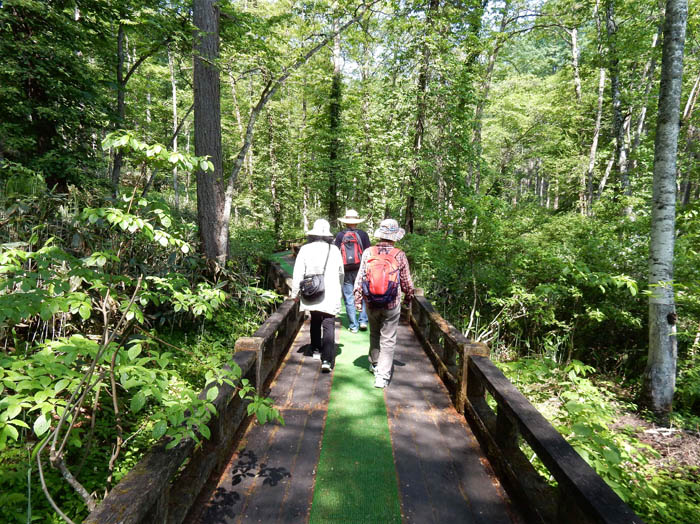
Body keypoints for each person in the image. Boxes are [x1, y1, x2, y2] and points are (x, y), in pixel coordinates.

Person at [353, 218, 414, 388]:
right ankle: (382, 376)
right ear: (395, 237)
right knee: (388, 339)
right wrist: (408, 299)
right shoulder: (399, 255)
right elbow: (407, 282)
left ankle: (374, 363)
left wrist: (358, 302)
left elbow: (360, 278)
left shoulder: (368, 252)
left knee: (374, 333)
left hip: (371, 302)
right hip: (392, 303)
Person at [292, 219, 344, 372]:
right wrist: (339, 289)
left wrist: (295, 293)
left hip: (312, 291)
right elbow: (341, 273)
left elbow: (298, 273)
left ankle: (315, 349)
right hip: (331, 291)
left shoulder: (305, 249)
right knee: (329, 323)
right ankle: (327, 360)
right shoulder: (334, 250)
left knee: (315, 319)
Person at [334, 209, 371, 333]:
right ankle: (363, 321)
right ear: (357, 221)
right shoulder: (363, 234)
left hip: (345, 270)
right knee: (363, 295)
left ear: (345, 221)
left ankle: (353, 326)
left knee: (349, 297)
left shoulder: (340, 235)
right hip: (360, 269)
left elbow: (335, 253)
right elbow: (368, 253)